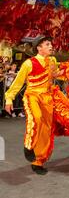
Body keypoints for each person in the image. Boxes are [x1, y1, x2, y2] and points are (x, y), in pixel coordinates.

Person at [5, 36, 58, 175]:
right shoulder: (28, 63)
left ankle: (38, 161)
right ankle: (28, 146)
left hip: (47, 99)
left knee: (46, 131)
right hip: (32, 96)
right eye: (47, 44)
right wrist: (9, 99)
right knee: (37, 118)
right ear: (39, 48)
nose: (51, 46)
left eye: (51, 44)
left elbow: (55, 76)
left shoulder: (52, 61)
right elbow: (17, 83)